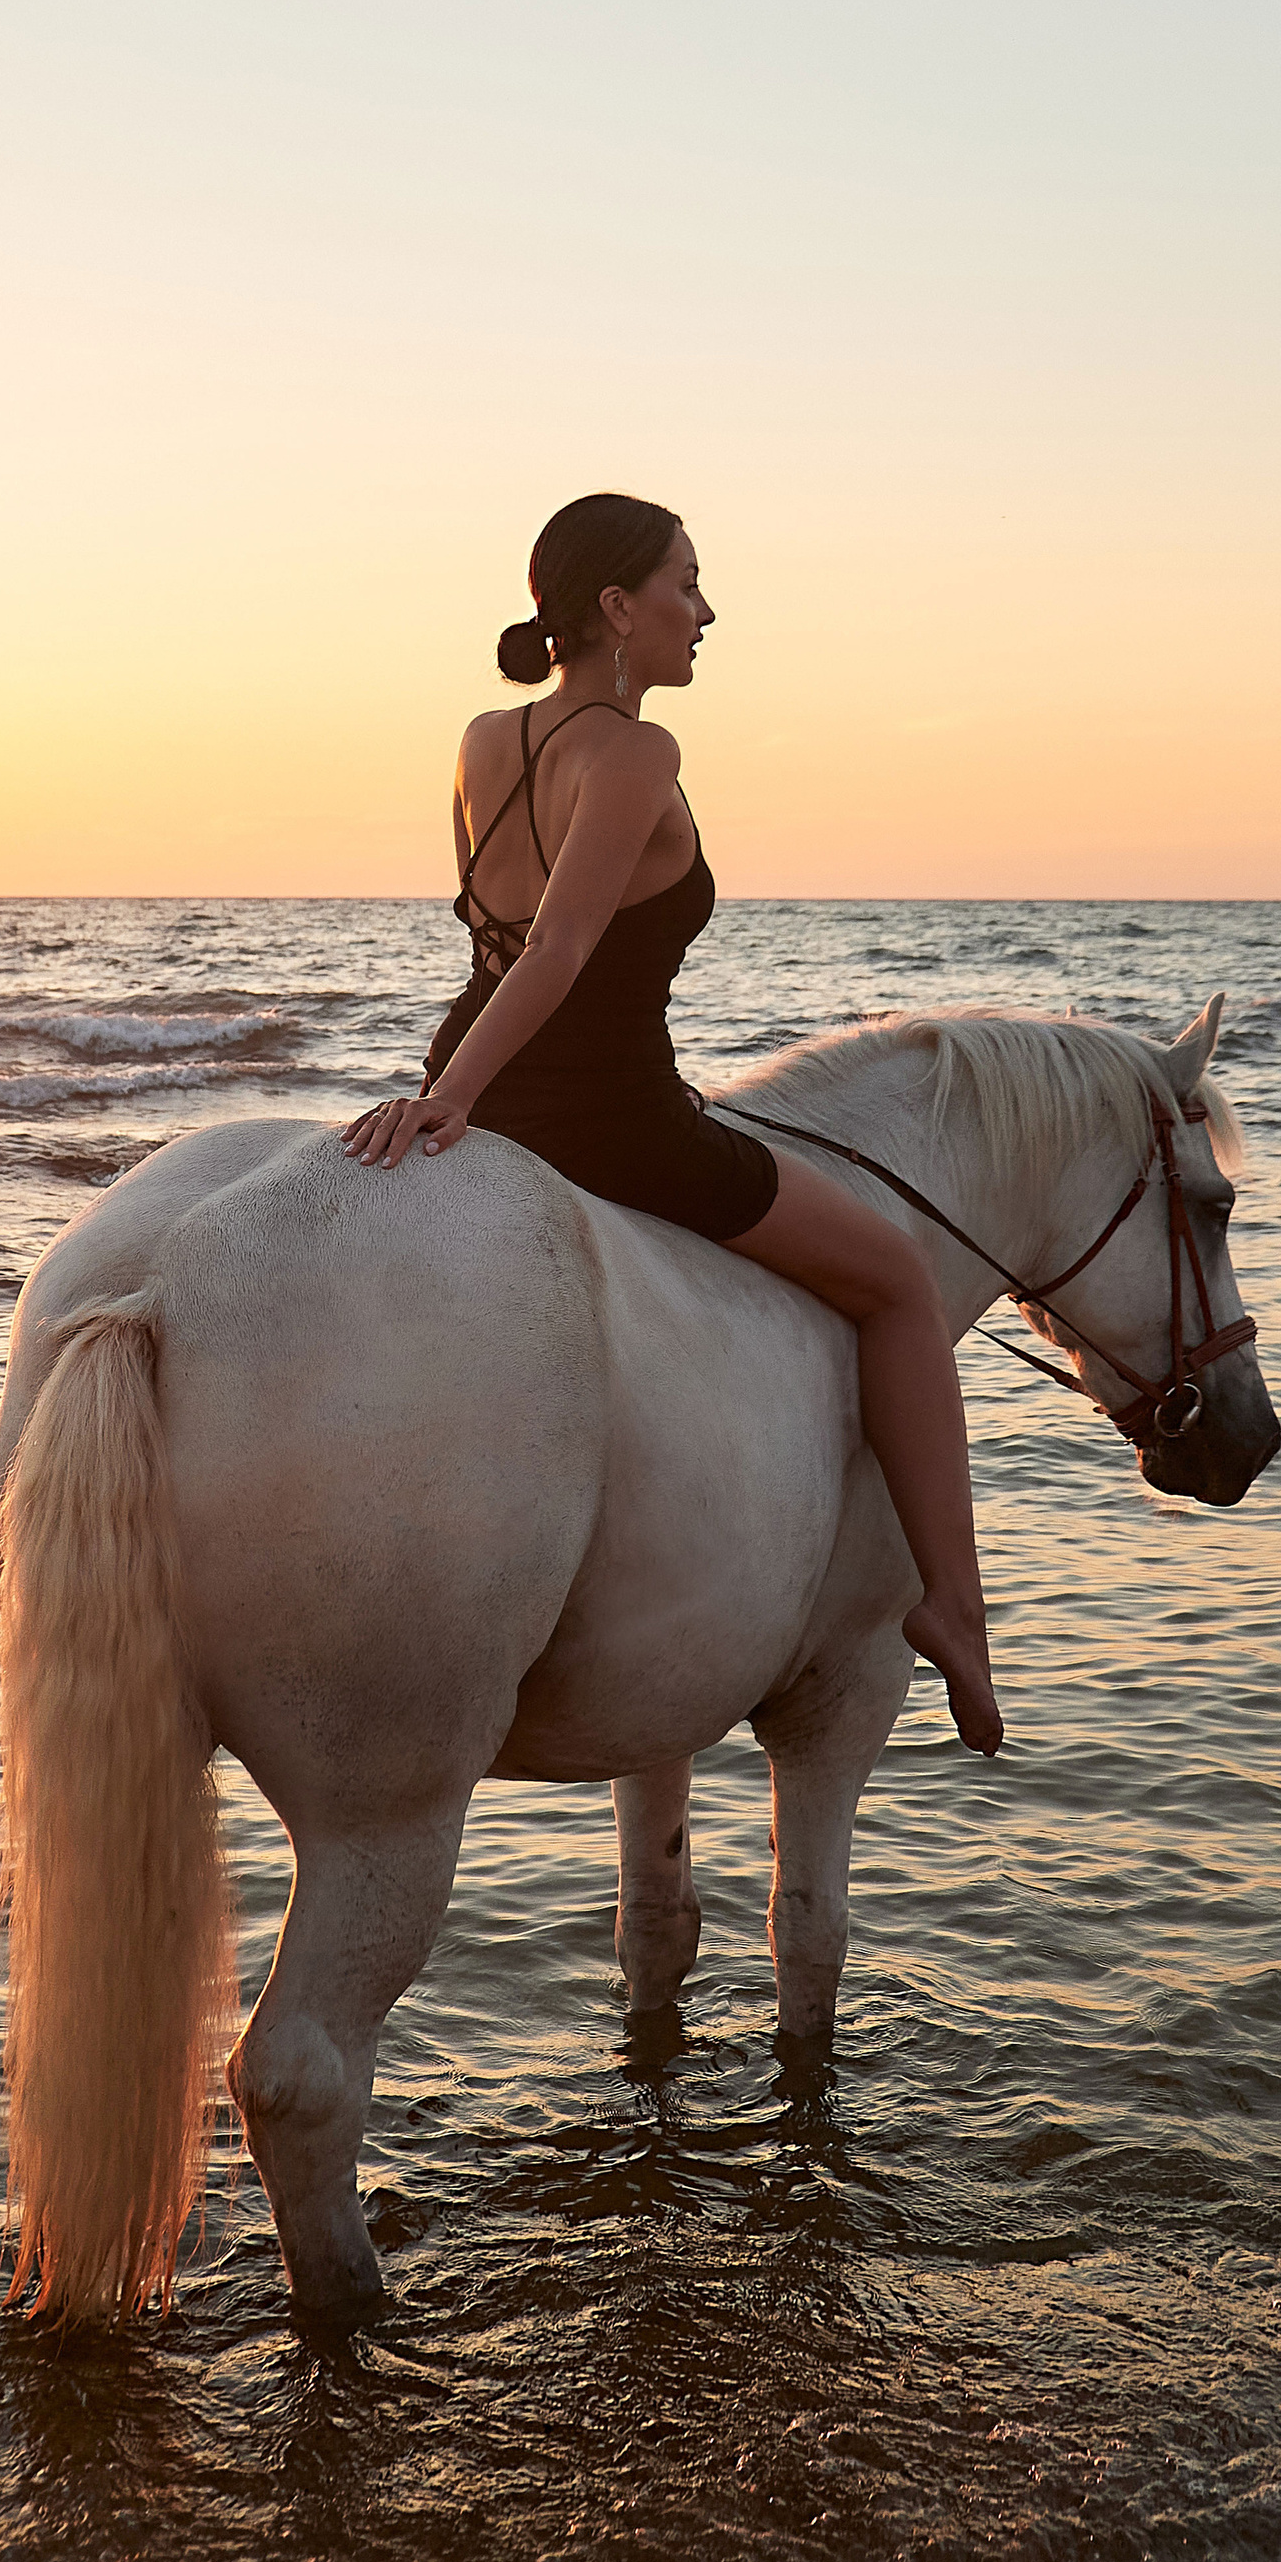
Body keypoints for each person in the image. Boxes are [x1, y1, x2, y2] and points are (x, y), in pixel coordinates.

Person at [340, 493, 1004, 1754]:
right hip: (610, 1122)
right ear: (615, 606)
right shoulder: (639, 757)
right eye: (687, 584)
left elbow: (492, 948)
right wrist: (455, 1102)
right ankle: (956, 1609)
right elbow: (561, 947)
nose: (704, 613)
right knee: (899, 1280)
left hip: (494, 1073)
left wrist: (457, 1088)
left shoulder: (485, 738)